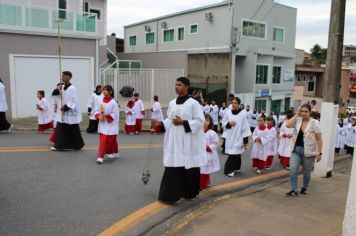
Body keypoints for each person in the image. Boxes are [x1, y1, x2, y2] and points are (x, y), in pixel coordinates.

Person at [153, 77, 207, 204]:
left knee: (190, 167)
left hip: (188, 140)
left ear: (186, 87)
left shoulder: (194, 103)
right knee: (174, 166)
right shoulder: (172, 103)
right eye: (175, 84)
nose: (176, 87)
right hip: (175, 140)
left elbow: (200, 121)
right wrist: (160, 124)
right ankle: (172, 195)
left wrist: (183, 122)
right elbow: (170, 119)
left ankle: (190, 193)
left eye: (180, 85)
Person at [285, 103, 322, 196]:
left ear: (310, 112)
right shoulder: (298, 120)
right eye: (302, 111)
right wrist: (297, 114)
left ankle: (304, 187)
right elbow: (287, 124)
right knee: (293, 170)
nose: (303, 113)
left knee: (306, 172)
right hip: (296, 150)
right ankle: (294, 190)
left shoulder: (315, 123)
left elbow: (319, 139)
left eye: (306, 111)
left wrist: (319, 153)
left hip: (309, 152)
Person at [52, 71, 84, 151]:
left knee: (73, 128)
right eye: (62, 76)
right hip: (62, 112)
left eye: (64, 76)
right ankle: (60, 145)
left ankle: (77, 144)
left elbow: (73, 99)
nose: (62, 78)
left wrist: (66, 107)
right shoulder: (61, 87)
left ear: (69, 77)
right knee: (62, 128)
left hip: (69, 111)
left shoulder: (72, 88)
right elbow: (54, 95)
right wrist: (57, 89)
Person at [222, 97, 251, 177]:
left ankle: (228, 170)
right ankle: (236, 167)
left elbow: (245, 128)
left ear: (239, 104)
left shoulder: (242, 114)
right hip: (230, 136)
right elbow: (223, 122)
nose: (234, 104)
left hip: (239, 137)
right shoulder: (228, 113)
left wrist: (245, 141)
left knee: (233, 153)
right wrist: (229, 123)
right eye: (232, 103)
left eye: (235, 103)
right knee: (236, 153)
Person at [95, 85, 120, 164]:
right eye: (104, 90)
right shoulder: (100, 101)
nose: (104, 91)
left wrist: (105, 116)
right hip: (103, 124)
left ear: (110, 92)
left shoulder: (113, 102)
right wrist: (99, 116)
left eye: (106, 90)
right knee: (110, 140)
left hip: (110, 125)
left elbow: (115, 114)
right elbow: (96, 110)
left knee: (105, 140)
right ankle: (116, 153)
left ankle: (100, 156)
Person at [200, 114, 220, 191]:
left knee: (204, 170)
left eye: (207, 120)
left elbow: (216, 143)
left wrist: (208, 147)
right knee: (199, 170)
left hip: (207, 154)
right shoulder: (198, 131)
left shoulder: (212, 133)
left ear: (210, 122)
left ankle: (203, 185)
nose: (205, 122)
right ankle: (204, 183)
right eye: (204, 120)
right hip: (199, 154)